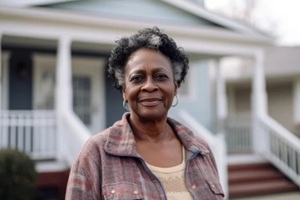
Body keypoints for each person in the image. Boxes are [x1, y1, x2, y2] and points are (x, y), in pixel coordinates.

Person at [65, 27, 224, 200]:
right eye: (137, 78)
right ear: (125, 90)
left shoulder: (201, 151)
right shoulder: (96, 154)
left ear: (175, 88)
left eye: (160, 76)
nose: (149, 86)